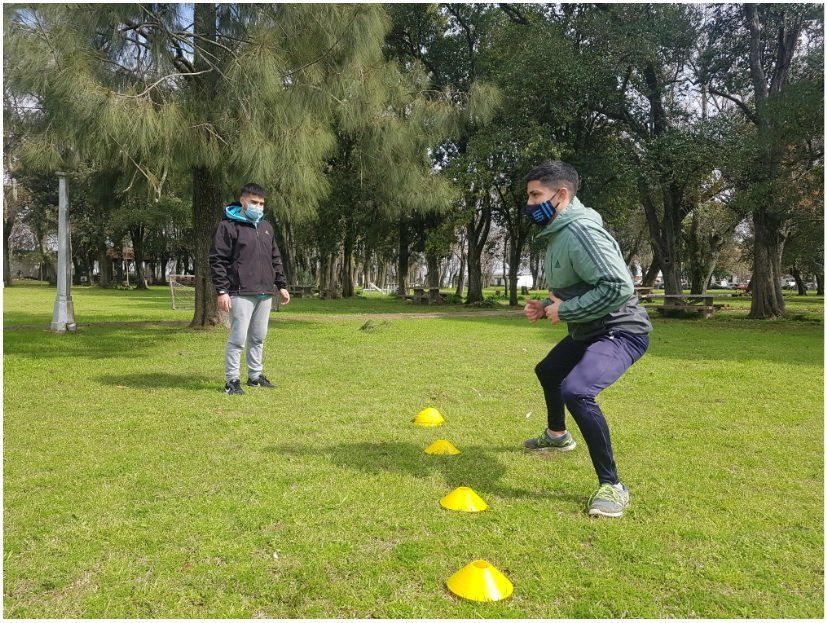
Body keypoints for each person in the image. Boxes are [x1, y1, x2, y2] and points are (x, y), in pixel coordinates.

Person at [521, 160, 652, 518]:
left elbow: (617, 287)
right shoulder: (558, 233)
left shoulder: (581, 232)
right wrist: (548, 305)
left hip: (621, 330)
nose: (530, 203)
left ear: (561, 195)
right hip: (590, 330)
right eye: (529, 195)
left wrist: (563, 311)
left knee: (577, 390)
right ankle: (557, 435)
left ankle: (613, 485)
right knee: (549, 371)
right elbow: (582, 290)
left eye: (536, 195)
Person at [209, 183, 290, 395]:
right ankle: (232, 381)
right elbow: (218, 259)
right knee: (238, 338)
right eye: (254, 202)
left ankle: (255, 376)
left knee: (258, 337)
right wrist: (222, 290)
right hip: (239, 291)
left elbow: (275, 258)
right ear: (243, 200)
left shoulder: (266, 227)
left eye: (261, 203)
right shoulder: (228, 226)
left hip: (264, 292)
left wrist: (281, 285)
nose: (258, 206)